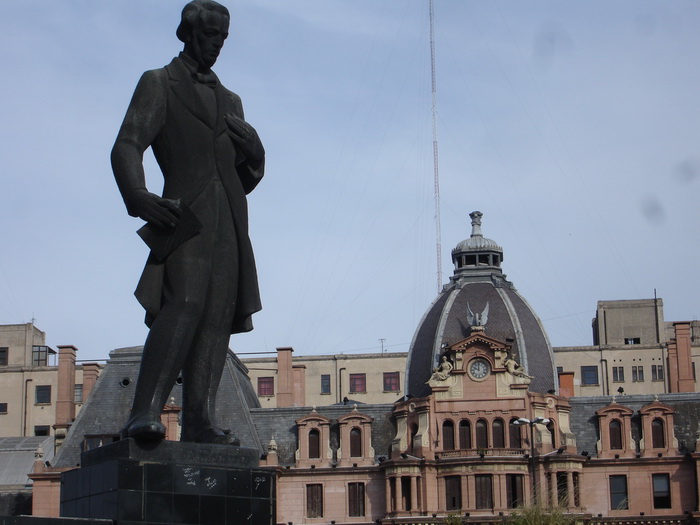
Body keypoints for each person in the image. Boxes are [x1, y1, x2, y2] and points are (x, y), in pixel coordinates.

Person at [111, 0, 264, 444]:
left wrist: (256, 153)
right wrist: (138, 196)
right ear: (188, 33)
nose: (217, 44)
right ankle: (144, 412)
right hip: (185, 216)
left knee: (218, 316)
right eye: (210, 34)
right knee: (184, 305)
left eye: (223, 37)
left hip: (231, 221)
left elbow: (242, 175)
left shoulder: (231, 100)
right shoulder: (159, 83)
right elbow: (127, 144)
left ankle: (200, 419)